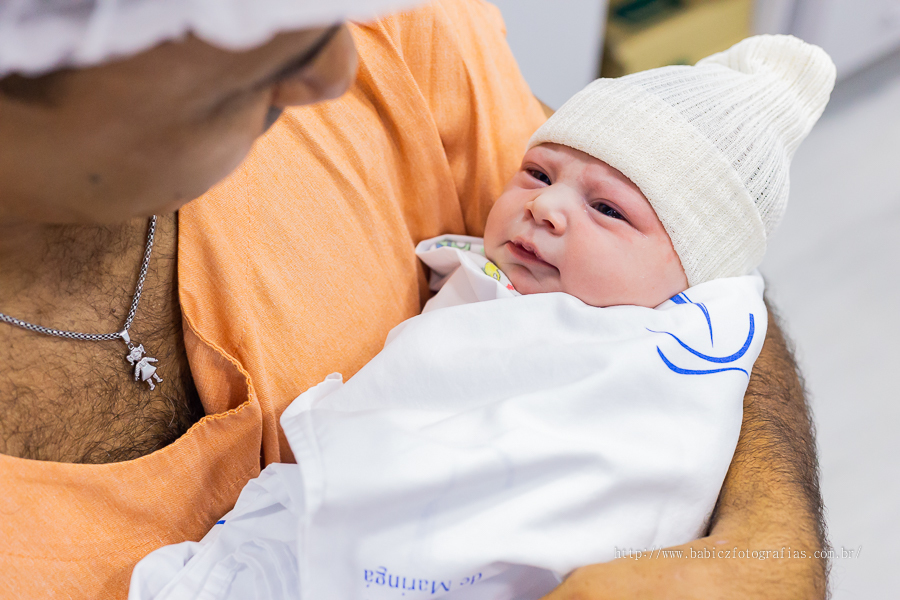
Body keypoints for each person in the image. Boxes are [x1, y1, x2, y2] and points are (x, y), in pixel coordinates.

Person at [0, 1, 826, 599]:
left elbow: (705, 289)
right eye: (245, 21)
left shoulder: (395, 30)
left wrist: (769, 539)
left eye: (604, 207)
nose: (333, 69)